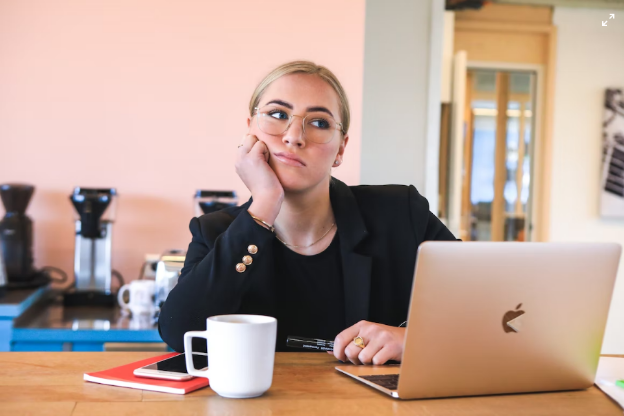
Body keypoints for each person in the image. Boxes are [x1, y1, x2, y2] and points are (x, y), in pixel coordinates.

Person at [158, 61, 456, 365]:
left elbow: (490, 309)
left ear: (341, 149)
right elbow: (180, 333)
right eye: (277, 115)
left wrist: (413, 340)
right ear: (250, 131)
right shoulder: (214, 231)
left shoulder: (401, 213)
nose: (294, 136)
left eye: (319, 123)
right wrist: (264, 204)